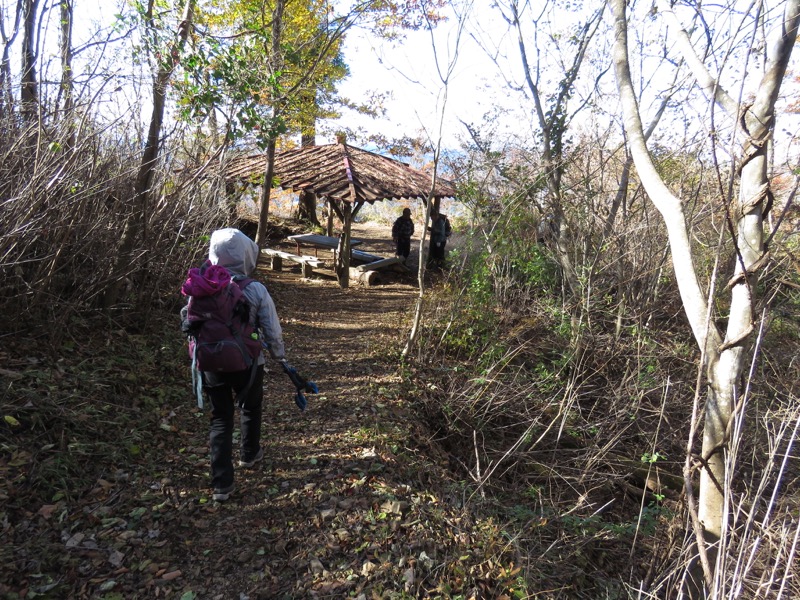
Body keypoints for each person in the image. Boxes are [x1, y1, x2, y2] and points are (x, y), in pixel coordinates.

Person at [187, 228, 287, 502]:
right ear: (246, 255)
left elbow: (191, 325)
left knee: (220, 418)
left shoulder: (200, 288)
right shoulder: (254, 289)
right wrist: (279, 355)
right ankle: (249, 454)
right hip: (248, 363)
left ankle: (222, 484)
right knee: (251, 407)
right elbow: (270, 327)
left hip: (210, 364)